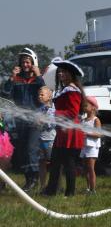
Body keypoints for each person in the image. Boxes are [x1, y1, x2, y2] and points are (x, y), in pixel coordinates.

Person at [2, 48, 45, 192]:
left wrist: (38, 75)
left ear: (33, 62)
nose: (25, 64)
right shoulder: (17, 79)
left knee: (31, 149)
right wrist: (11, 78)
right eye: (23, 62)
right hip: (20, 121)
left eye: (28, 62)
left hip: (35, 121)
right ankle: (28, 180)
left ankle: (34, 179)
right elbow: (5, 94)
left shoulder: (37, 79)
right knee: (22, 151)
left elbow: (44, 94)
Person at [43, 60, 85, 197]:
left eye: (64, 71)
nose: (61, 73)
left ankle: (70, 193)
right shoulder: (64, 89)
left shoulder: (72, 90)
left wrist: (54, 113)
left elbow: (73, 113)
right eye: (59, 71)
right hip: (63, 131)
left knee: (69, 164)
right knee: (55, 162)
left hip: (71, 132)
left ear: (71, 74)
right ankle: (51, 191)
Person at [80, 96, 101, 194]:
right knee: (85, 168)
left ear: (93, 107)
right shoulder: (83, 120)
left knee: (91, 168)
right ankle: (88, 188)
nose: (84, 106)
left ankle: (93, 189)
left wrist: (87, 133)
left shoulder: (96, 120)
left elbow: (98, 134)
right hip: (84, 146)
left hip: (92, 147)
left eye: (86, 105)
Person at [37, 86, 56, 190]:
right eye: (39, 94)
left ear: (49, 97)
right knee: (41, 163)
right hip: (40, 140)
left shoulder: (53, 110)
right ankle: (42, 186)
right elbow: (37, 124)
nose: (39, 96)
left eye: (42, 94)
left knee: (53, 163)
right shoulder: (39, 110)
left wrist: (43, 121)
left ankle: (55, 185)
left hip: (50, 140)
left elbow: (53, 124)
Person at [0, 112, 14, 192]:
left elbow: (3, 126)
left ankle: (2, 185)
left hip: (2, 139)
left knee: (4, 163)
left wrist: (1, 119)